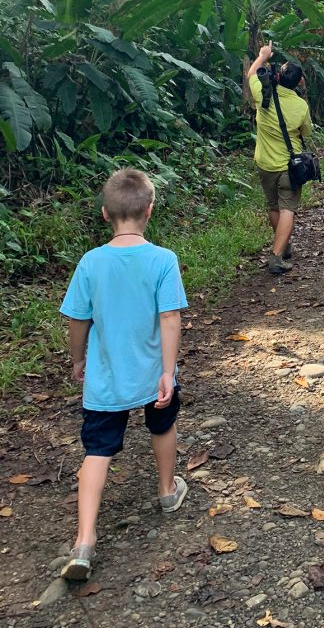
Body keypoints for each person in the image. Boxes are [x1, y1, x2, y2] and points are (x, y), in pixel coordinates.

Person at [59, 169, 189, 581]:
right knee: (162, 425)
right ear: (150, 210)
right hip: (153, 374)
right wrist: (168, 371)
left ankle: (84, 541)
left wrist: (78, 360)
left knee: (97, 451)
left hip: (106, 379)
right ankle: (168, 492)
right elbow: (170, 316)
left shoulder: (90, 262)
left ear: (105, 214)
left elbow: (78, 320)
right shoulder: (163, 259)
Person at [247, 44, 314, 274]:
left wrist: (262, 56)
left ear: (277, 75)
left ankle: (282, 246)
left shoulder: (263, 94)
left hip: (265, 163)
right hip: (290, 165)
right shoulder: (300, 106)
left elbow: (251, 74)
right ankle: (276, 255)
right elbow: (307, 133)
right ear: (298, 83)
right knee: (288, 209)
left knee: (273, 206)